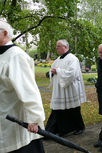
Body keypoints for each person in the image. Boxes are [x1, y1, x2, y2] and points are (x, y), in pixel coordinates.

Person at [0, 21, 45, 153]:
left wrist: (34, 119)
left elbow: (28, 90)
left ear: (5, 33)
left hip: (16, 120)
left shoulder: (16, 56)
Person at [45, 39, 86, 136]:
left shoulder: (73, 59)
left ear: (66, 47)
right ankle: (60, 129)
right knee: (59, 109)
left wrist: (58, 71)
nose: (56, 48)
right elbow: (53, 70)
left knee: (74, 109)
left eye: (58, 46)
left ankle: (80, 127)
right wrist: (50, 73)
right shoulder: (58, 60)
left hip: (70, 89)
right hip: (60, 90)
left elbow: (72, 73)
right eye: (56, 46)